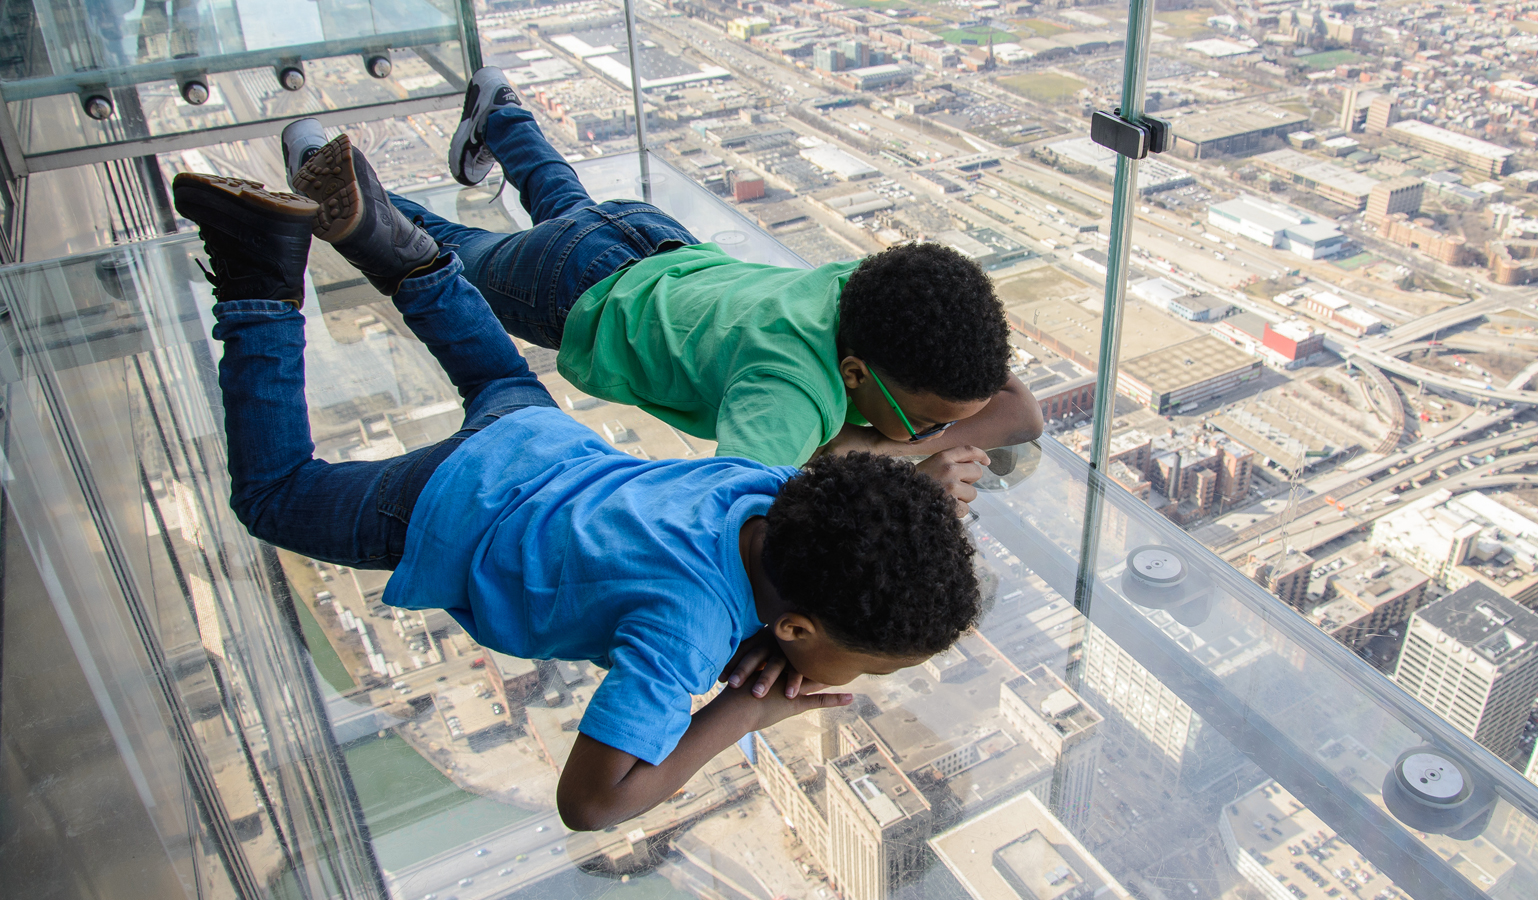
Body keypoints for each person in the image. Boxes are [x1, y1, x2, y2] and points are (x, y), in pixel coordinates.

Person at [172, 143, 990, 831]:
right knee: (275, 496)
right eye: (871, 667)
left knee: (487, 367)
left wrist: (777, 634)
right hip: (448, 511)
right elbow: (592, 804)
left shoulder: (770, 489)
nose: (864, 679)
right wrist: (741, 711)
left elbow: (835, 485)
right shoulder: (685, 637)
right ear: (802, 627)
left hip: (542, 439)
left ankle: (405, 248)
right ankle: (257, 273)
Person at [279, 69, 1043, 468]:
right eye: (935, 418)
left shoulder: (866, 295)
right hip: (579, 295)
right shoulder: (791, 393)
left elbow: (1021, 410)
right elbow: (739, 496)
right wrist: (907, 457)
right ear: (849, 373)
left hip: (650, 244)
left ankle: (502, 113)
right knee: (455, 255)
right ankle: (338, 187)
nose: (955, 427)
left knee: (562, 198)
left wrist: (908, 437)